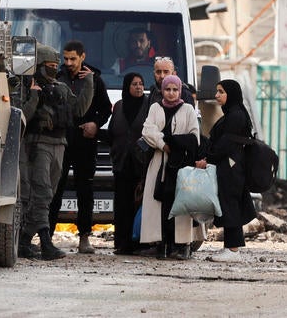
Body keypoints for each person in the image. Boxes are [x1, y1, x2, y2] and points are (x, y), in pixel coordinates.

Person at [18, 44, 88, 260]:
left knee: (47, 196)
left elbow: (79, 109)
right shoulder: (26, 86)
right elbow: (22, 118)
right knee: (41, 193)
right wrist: (34, 97)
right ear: (38, 66)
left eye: (55, 66)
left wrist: (89, 83)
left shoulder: (61, 87)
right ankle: (46, 243)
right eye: (49, 66)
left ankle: (23, 241)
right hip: (37, 145)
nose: (54, 69)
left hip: (59, 145)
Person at [48, 40, 111, 254]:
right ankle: (47, 237)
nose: (68, 62)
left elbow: (105, 109)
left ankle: (84, 237)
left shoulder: (94, 79)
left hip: (85, 143)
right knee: (55, 188)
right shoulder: (58, 78)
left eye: (73, 58)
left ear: (82, 57)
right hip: (61, 141)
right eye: (65, 58)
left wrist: (96, 124)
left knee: (85, 190)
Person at [194, 80, 256, 262]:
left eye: (221, 91)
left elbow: (226, 144)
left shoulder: (235, 116)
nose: (216, 95)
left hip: (231, 167)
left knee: (231, 206)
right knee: (229, 205)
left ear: (231, 94)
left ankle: (233, 249)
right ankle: (231, 248)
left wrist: (208, 158)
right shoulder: (233, 114)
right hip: (229, 166)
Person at [139, 75, 199, 260]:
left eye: (175, 89)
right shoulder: (155, 108)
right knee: (160, 204)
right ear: (162, 91)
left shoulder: (188, 109)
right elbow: (147, 130)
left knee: (181, 204)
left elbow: (194, 136)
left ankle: (183, 245)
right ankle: (162, 244)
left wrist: (175, 143)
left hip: (181, 165)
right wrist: (163, 144)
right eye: (167, 89)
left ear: (180, 91)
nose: (171, 93)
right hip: (160, 163)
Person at [105, 73, 149, 255]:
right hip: (122, 163)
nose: (138, 87)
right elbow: (112, 132)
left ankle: (140, 242)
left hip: (141, 165)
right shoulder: (120, 106)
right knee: (122, 205)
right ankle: (122, 243)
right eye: (134, 84)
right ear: (127, 87)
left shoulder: (150, 106)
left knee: (139, 204)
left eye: (141, 84)